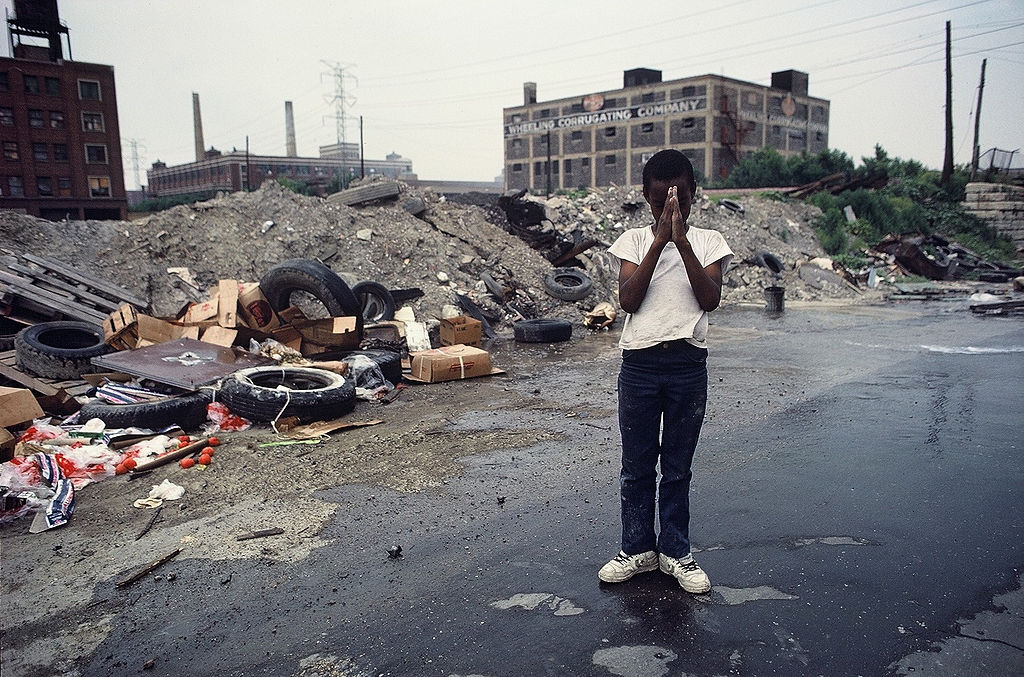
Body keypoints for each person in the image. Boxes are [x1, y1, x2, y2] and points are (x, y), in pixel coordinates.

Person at [599, 149, 733, 593]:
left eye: (679, 201)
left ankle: (676, 552)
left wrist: (682, 242)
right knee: (636, 465)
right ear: (645, 197)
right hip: (639, 365)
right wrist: (659, 240)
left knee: (677, 467)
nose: (669, 210)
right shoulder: (634, 241)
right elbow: (629, 301)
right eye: (659, 204)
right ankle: (637, 549)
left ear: (694, 194)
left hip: (686, 366)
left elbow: (708, 298)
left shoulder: (710, 241)